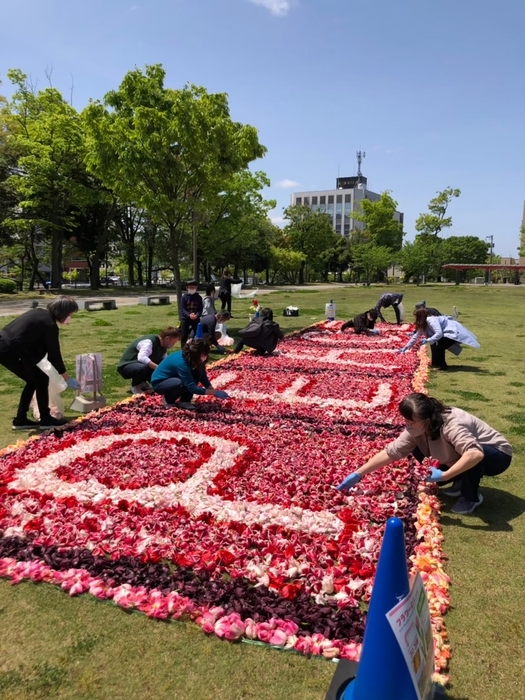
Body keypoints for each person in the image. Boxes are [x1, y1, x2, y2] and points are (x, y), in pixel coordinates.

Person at [336, 393, 512, 515]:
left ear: (427, 420)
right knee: (413, 446)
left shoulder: (452, 423)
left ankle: (471, 497)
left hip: (496, 454)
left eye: (410, 421)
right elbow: (392, 451)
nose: (407, 424)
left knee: (471, 459)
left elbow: (474, 453)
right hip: (465, 452)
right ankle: (460, 480)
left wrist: (445, 475)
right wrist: (359, 474)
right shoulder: (417, 427)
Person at [0, 296, 80, 430]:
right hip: (10, 351)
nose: (70, 317)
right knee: (41, 380)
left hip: (5, 346)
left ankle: (21, 420)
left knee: (34, 381)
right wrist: (67, 378)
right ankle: (45, 419)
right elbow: (54, 355)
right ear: (63, 312)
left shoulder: (38, 313)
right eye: (70, 314)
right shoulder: (50, 325)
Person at [151, 338, 229, 410]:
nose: (205, 357)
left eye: (206, 354)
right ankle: (168, 400)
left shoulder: (195, 359)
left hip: (174, 377)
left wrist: (211, 388)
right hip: (160, 383)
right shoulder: (181, 362)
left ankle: (185, 401)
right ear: (195, 355)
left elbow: (202, 375)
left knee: (197, 373)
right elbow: (191, 387)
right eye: (203, 355)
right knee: (181, 383)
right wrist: (213, 392)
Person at [399, 308, 480, 371]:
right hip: (445, 333)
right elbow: (416, 336)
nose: (415, 318)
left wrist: (428, 340)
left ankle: (442, 366)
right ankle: (435, 364)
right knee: (434, 344)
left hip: (453, 331)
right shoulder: (423, 323)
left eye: (416, 316)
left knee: (440, 345)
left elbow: (439, 333)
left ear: (421, 316)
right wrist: (406, 347)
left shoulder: (432, 320)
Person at [117, 327, 181, 394]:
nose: (173, 345)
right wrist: (158, 368)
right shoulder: (149, 341)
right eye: (173, 343)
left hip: (142, 366)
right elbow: (141, 357)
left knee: (157, 366)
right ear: (167, 338)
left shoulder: (163, 347)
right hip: (127, 366)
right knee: (144, 367)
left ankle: (146, 383)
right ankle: (136, 386)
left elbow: (165, 361)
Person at [180, 280, 203, 347]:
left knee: (198, 334)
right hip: (185, 319)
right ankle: (183, 349)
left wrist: (197, 315)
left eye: (193, 287)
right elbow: (183, 309)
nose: (192, 289)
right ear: (187, 288)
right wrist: (189, 315)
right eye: (190, 287)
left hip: (196, 319)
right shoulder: (184, 297)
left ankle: (198, 348)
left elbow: (200, 309)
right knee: (184, 335)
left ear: (196, 287)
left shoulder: (199, 297)